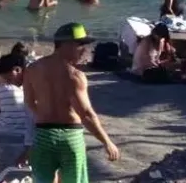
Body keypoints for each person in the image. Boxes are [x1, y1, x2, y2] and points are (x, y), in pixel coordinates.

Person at [23, 23, 119, 183]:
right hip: (70, 137)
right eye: (80, 44)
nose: (85, 50)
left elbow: (29, 102)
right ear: (65, 44)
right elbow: (86, 114)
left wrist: (44, 117)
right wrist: (107, 142)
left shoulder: (32, 69)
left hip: (42, 136)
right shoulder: (74, 76)